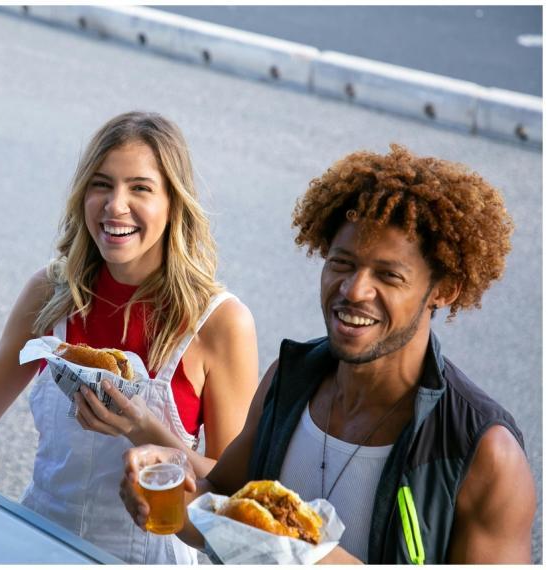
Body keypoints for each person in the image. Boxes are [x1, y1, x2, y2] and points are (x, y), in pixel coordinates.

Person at [120, 144, 536, 564]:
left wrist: (317, 559)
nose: (354, 290)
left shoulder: (483, 452)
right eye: (342, 263)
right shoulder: (291, 378)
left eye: (388, 275)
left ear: (443, 291)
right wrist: (170, 493)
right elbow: (223, 508)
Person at [0, 111, 260, 564]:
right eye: (101, 184)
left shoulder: (220, 323)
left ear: (173, 202)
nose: (115, 205)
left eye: (139, 188)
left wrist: (143, 428)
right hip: (35, 547)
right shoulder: (49, 293)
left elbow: (231, 491)